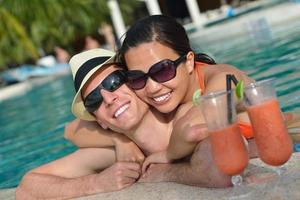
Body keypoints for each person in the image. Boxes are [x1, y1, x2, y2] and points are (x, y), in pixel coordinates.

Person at [16, 49, 228, 200]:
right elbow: (26, 189)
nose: (109, 99)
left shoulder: (185, 115)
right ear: (99, 120)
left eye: (114, 82)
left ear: (135, 80)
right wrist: (97, 183)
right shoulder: (120, 152)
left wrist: (162, 173)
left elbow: (218, 168)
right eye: (94, 100)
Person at [117, 14, 255, 173]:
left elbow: (192, 130)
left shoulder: (224, 77)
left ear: (189, 61)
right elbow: (84, 128)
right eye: (137, 77)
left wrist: (168, 155)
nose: (152, 88)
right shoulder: (156, 93)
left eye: (162, 70)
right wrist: (120, 140)